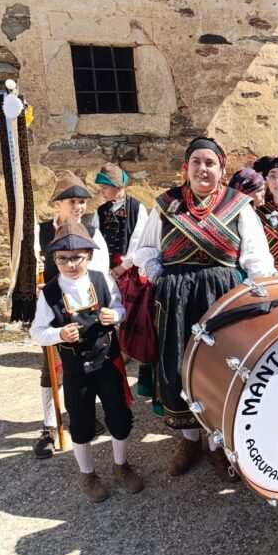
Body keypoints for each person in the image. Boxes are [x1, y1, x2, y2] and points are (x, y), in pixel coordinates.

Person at [135, 137, 275, 478]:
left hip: (222, 302)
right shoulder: (166, 204)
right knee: (180, 367)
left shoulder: (238, 206)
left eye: (210, 163)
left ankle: (217, 444)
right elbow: (144, 250)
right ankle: (189, 440)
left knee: (218, 371)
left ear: (222, 169)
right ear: (185, 168)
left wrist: (261, 298)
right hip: (176, 303)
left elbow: (256, 259)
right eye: (196, 162)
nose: (203, 169)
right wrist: (157, 274)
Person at [30, 222, 143, 502]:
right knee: (80, 422)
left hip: (108, 363)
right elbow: (36, 332)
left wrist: (114, 316)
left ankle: (121, 466)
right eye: (62, 259)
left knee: (118, 416)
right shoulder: (50, 293)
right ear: (55, 259)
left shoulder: (102, 279)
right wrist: (58, 333)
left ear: (89, 256)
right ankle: (87, 474)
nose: (69, 264)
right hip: (76, 369)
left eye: (76, 257)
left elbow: (120, 308)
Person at [33, 171, 110, 459]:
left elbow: (99, 268)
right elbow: (30, 270)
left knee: (89, 366)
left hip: (85, 312)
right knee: (50, 369)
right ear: (58, 204)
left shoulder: (91, 227)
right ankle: (50, 427)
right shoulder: (41, 232)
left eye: (82, 202)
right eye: (73, 202)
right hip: (54, 311)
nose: (79, 207)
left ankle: (85, 417)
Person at [92, 163, 153, 396]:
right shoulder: (100, 212)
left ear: (117, 187)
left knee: (131, 310)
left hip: (130, 268)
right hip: (107, 268)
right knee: (109, 308)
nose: (101, 191)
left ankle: (129, 349)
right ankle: (115, 348)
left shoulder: (137, 209)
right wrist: (104, 269)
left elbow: (139, 241)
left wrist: (123, 266)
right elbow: (97, 241)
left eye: (104, 187)